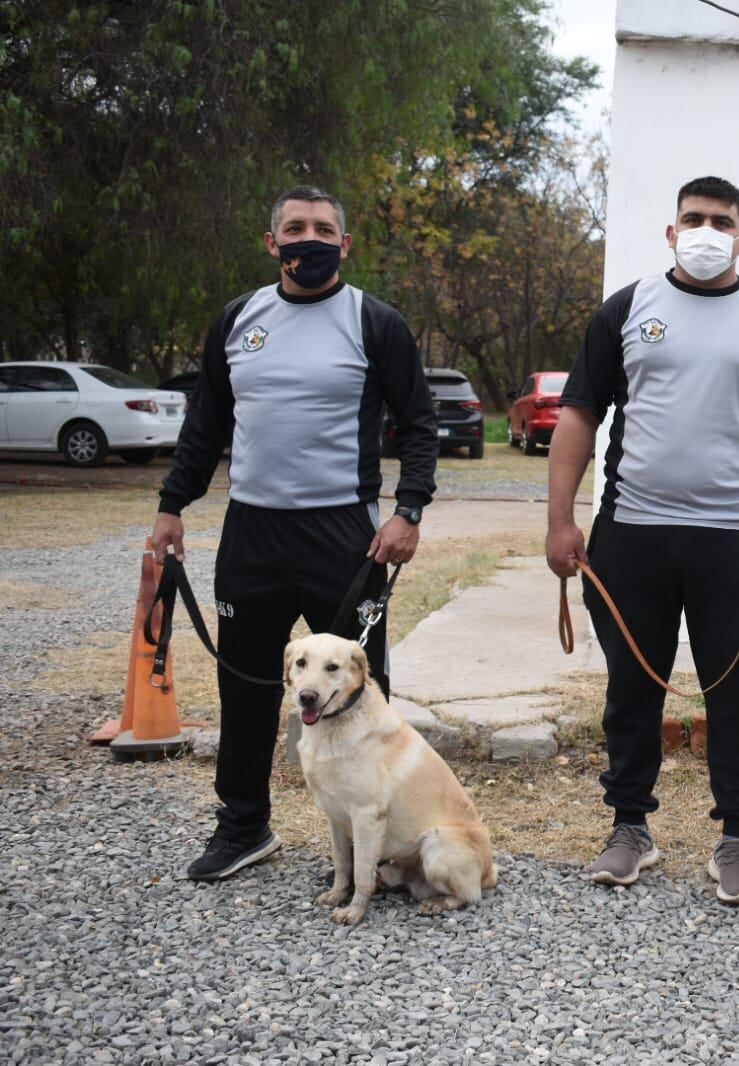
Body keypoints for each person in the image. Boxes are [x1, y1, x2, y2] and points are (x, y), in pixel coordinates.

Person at [545, 176, 739, 906]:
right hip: (631, 534)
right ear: (671, 232)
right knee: (632, 688)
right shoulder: (626, 311)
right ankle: (629, 826)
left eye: (721, 221)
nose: (706, 230)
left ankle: (737, 835)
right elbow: (578, 417)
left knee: (736, 694)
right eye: (693, 219)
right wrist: (560, 521)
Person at [153, 185, 438, 881]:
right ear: (271, 240)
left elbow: (419, 423)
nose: (307, 238)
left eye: (322, 228)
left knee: (359, 692)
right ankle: (244, 827)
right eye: (294, 227)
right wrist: (170, 506)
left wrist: (408, 511)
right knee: (246, 685)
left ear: (344, 243)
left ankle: (388, 838)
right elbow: (205, 427)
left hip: (344, 535)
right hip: (251, 531)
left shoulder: (375, 322)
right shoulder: (237, 320)